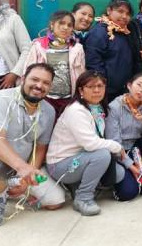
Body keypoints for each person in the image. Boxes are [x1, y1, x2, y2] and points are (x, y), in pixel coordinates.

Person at [0, 63, 66, 227]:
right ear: (23, 79)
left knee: (55, 200)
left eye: (46, 83)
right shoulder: (0, 99)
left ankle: (9, 187)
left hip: (20, 169)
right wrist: (24, 170)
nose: (39, 85)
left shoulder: (48, 111)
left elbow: (40, 148)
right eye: (35, 79)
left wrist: (26, 180)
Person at [47, 70, 122, 216]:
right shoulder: (77, 111)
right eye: (91, 87)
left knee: (118, 174)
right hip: (60, 165)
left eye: (100, 86)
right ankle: (83, 198)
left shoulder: (96, 107)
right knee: (102, 155)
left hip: (79, 157)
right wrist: (117, 147)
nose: (96, 90)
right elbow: (90, 144)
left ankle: (77, 186)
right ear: (81, 90)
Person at [105, 72, 142, 201]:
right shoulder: (114, 107)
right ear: (129, 85)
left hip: (137, 150)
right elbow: (113, 142)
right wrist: (130, 165)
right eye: (139, 85)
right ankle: (127, 181)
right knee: (127, 193)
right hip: (120, 151)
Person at [24, 10, 85, 118]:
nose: (65, 27)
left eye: (69, 25)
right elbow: (27, 70)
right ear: (52, 25)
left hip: (68, 100)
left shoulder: (77, 48)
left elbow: (81, 73)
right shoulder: (38, 46)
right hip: (44, 98)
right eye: (61, 23)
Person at [85, 0, 135, 103]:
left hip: (123, 91)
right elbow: (94, 63)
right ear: (109, 11)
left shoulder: (124, 32)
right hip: (106, 93)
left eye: (127, 13)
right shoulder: (99, 32)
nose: (124, 16)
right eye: (120, 11)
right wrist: (104, 86)